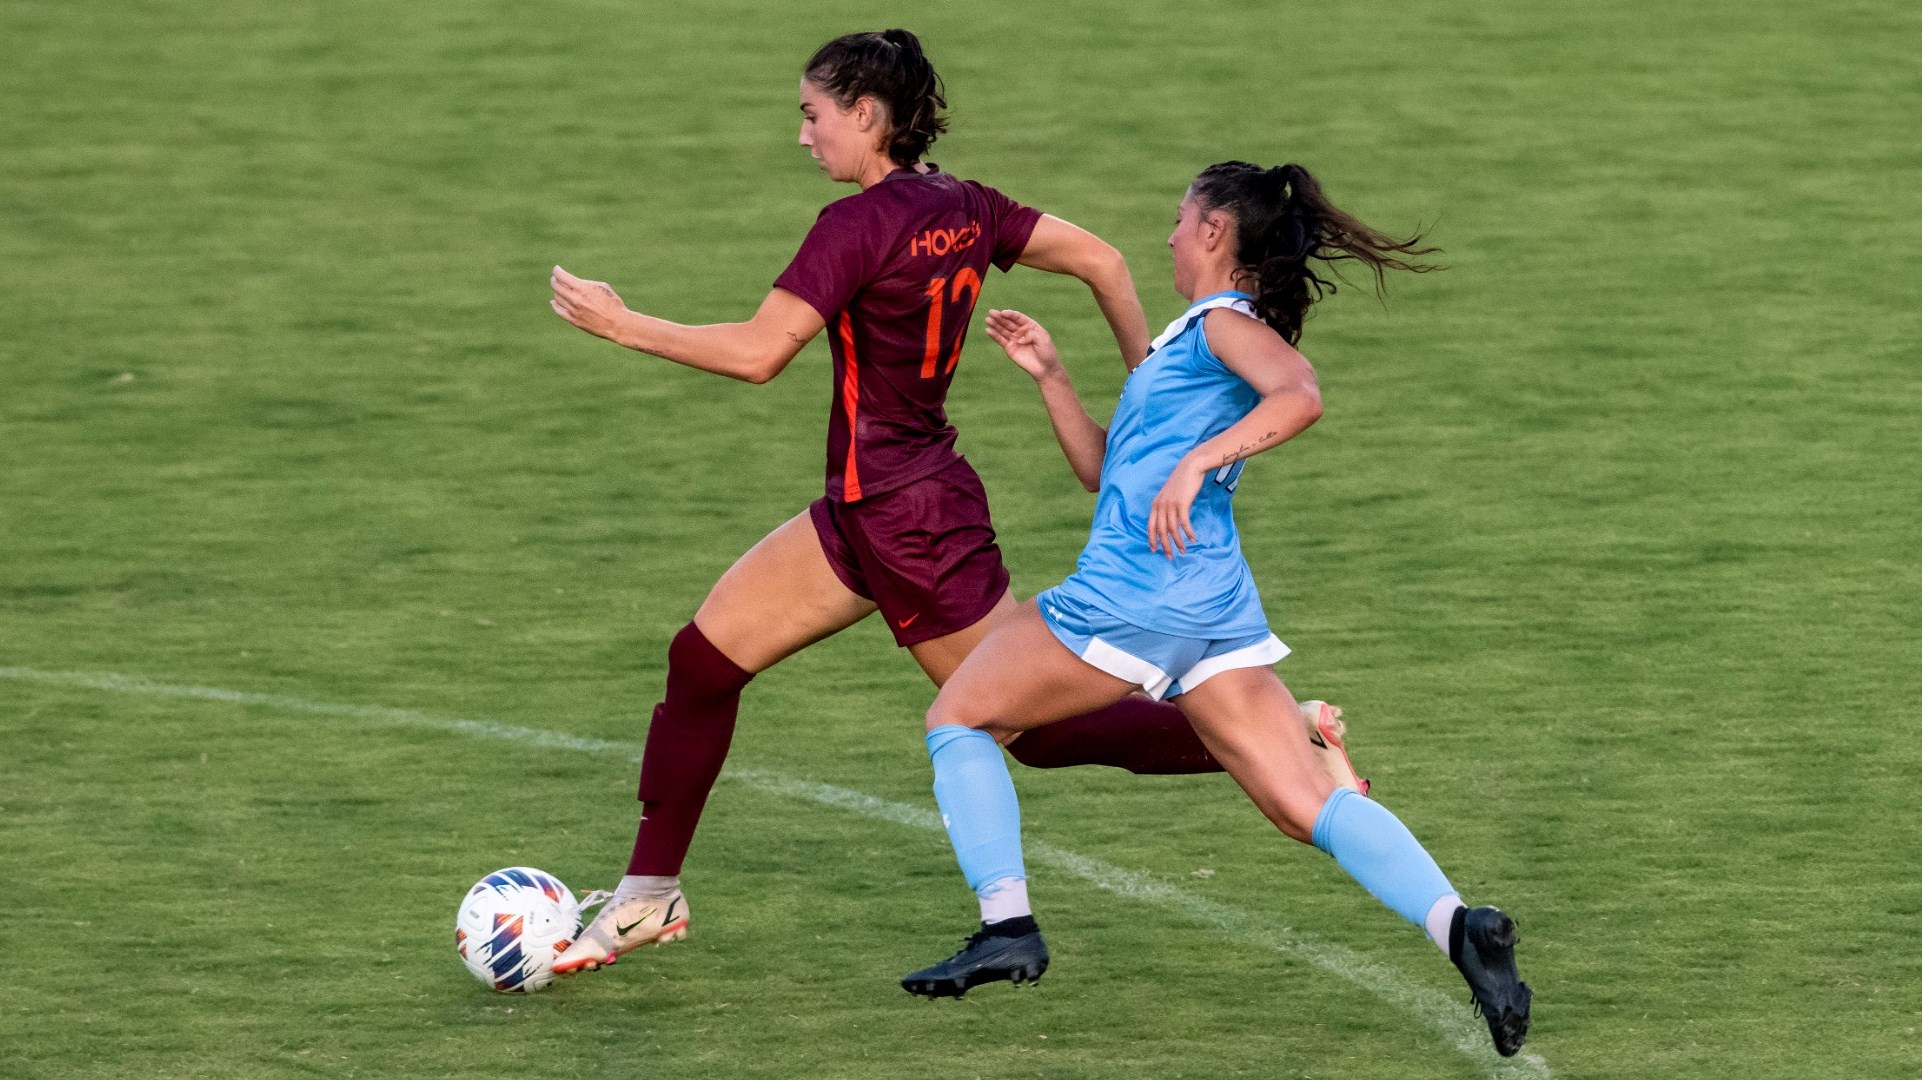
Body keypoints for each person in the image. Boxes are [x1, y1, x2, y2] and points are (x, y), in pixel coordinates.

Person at [543, 31, 1370, 976]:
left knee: (1031, 734)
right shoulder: (968, 207)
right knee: (700, 664)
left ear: (866, 115)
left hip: (912, 522)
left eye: (814, 114)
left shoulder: (851, 227)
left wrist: (623, 323)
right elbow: (1102, 259)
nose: (804, 135)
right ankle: (651, 895)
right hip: (867, 510)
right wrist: (1149, 382)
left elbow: (758, 353)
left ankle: (1281, 737)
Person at [897, 161, 1532, 1057]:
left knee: (957, 715)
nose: (1166, 236)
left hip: (1133, 592)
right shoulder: (1186, 340)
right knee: (1300, 802)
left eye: (1178, 219)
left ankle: (1007, 925)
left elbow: (1300, 393)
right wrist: (1049, 376)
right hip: (1211, 602)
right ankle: (1462, 927)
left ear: (1213, 234)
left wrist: (1200, 463)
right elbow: (1104, 470)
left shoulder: (1227, 326)